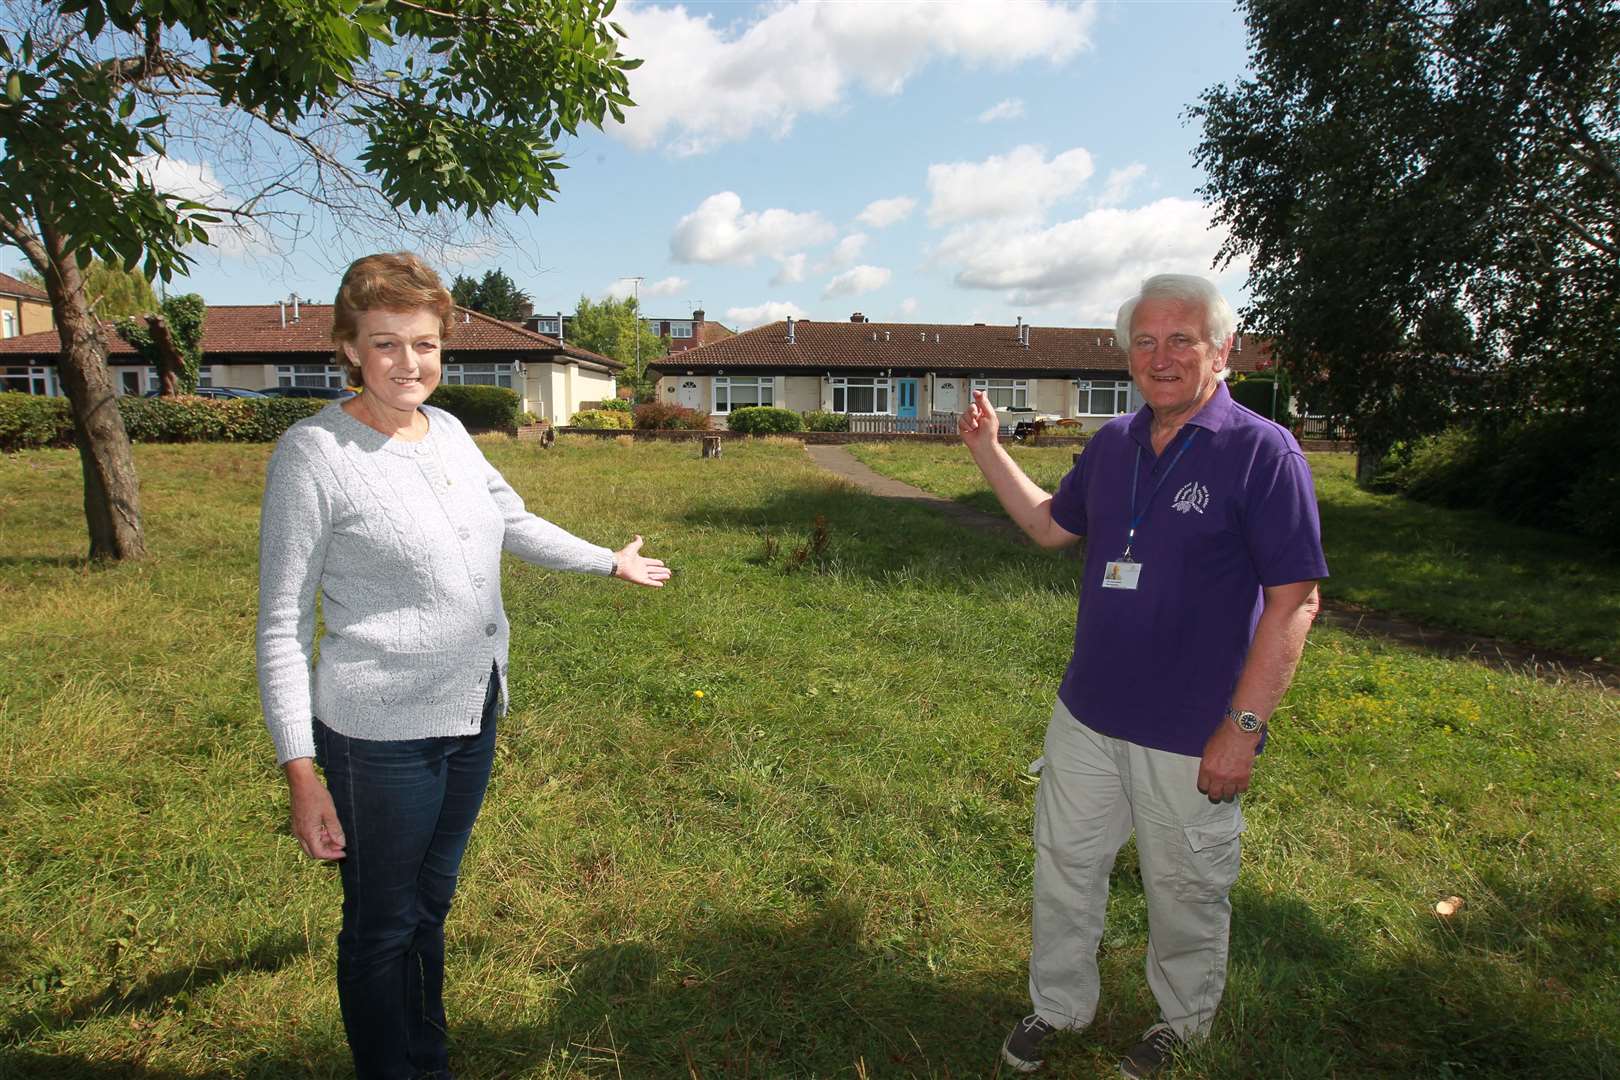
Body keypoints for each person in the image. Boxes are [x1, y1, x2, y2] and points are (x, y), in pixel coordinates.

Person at [256, 252, 671, 1079]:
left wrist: (604, 561)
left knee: (429, 910)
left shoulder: (446, 432)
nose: (410, 365)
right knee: (380, 926)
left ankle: (427, 1058)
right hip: (378, 740)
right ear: (348, 349)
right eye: (386, 345)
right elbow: (278, 626)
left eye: (425, 344)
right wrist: (302, 775)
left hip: (472, 715)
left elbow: (510, 520)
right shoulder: (315, 454)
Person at [960, 274, 1327, 1077]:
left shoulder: (1263, 452)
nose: (1161, 357)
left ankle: (1184, 1021)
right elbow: (1049, 527)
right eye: (1145, 341)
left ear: (1221, 350)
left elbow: (1295, 602)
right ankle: (1058, 1004)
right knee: (1065, 866)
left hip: (1193, 731)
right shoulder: (1114, 442)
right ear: (1129, 355)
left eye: (1182, 339)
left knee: (1185, 887)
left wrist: (1244, 729)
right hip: (1088, 714)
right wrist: (988, 450)